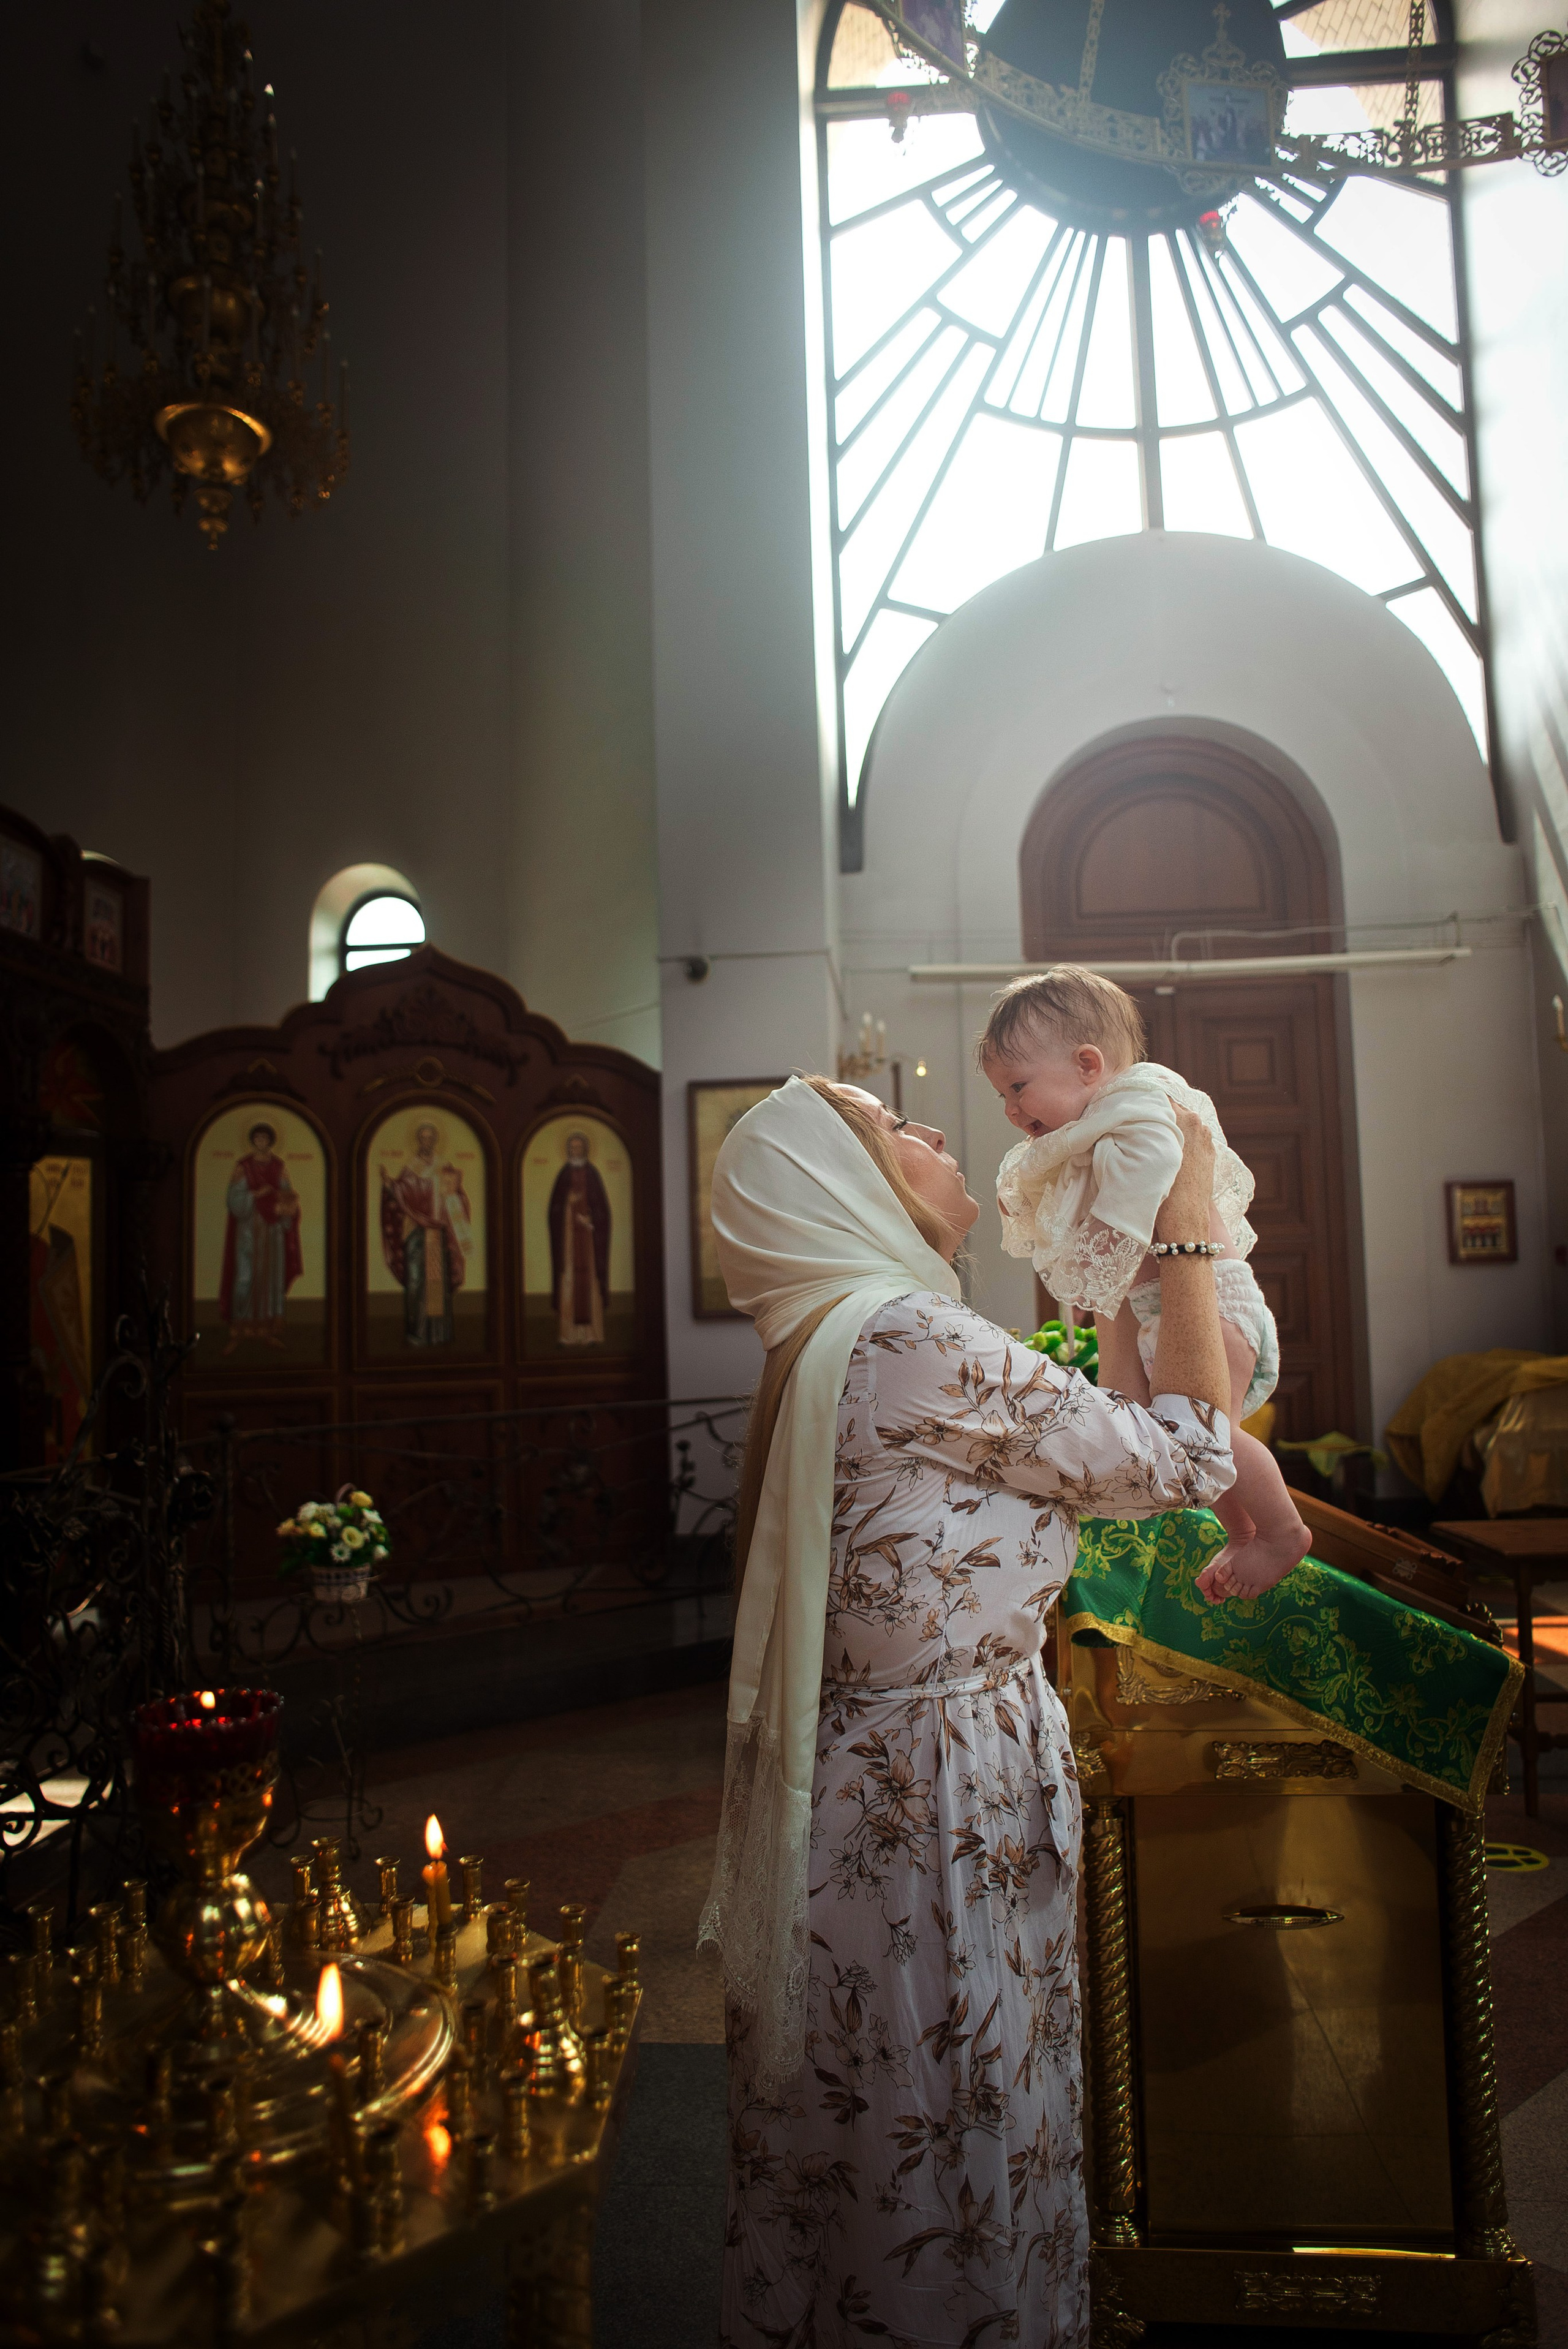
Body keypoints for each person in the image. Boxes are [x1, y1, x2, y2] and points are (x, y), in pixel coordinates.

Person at [701, 1073, 1235, 2348]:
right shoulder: (905, 1338)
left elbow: (1116, 1438)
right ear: (847, 1188)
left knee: (886, 2133)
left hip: (886, 1782)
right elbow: (1189, 1456)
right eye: (893, 1130)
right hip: (934, 1801)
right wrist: (1189, 1226)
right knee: (955, 2124)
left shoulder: (834, 1335)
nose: (931, 1132)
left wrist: (1101, 1284)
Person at [981, 967, 1311, 1603]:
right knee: (1195, 1440)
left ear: (1086, 1064)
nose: (1011, 1109)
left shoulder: (1137, 1110)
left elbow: (1142, 1193)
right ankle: (1241, 1531)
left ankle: (1281, 1530)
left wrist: (1097, 1254)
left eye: (1018, 1088)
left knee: (1219, 1431)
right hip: (1164, 1311)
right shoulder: (1094, 1130)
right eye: (1002, 1095)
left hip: (1213, 1300)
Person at [379, 1121, 473, 1347]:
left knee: (437, 1283)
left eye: (431, 1138)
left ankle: (439, 1334)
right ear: (418, 1141)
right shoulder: (411, 1168)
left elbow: (460, 1197)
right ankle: (419, 1333)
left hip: (438, 1235)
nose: (427, 1142)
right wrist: (390, 1185)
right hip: (417, 1234)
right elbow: (403, 1192)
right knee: (416, 1282)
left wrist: (452, 1199)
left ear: (435, 1141)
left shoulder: (444, 1167)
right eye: (423, 1138)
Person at [218, 1120, 303, 1352]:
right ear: (253, 1141)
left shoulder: (279, 1166)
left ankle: (268, 1332)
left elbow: (288, 1196)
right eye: (258, 1138)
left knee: (271, 1279)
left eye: (266, 1139)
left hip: (273, 1230)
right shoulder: (243, 1167)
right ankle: (239, 1331)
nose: (261, 1142)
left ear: (271, 1141)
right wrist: (256, 1194)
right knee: (245, 1278)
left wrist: (284, 1202)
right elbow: (234, 1200)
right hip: (249, 1228)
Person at [547, 1131, 612, 1347]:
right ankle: (568, 1335)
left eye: (578, 1148)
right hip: (568, 1244)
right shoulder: (563, 1175)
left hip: (589, 1245)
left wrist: (591, 1219)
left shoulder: (593, 1174)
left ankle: (591, 1334)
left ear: (585, 1149)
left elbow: (602, 1210)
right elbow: (554, 1210)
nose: (575, 1151)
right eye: (572, 1148)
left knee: (590, 1281)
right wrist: (568, 1205)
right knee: (569, 1281)